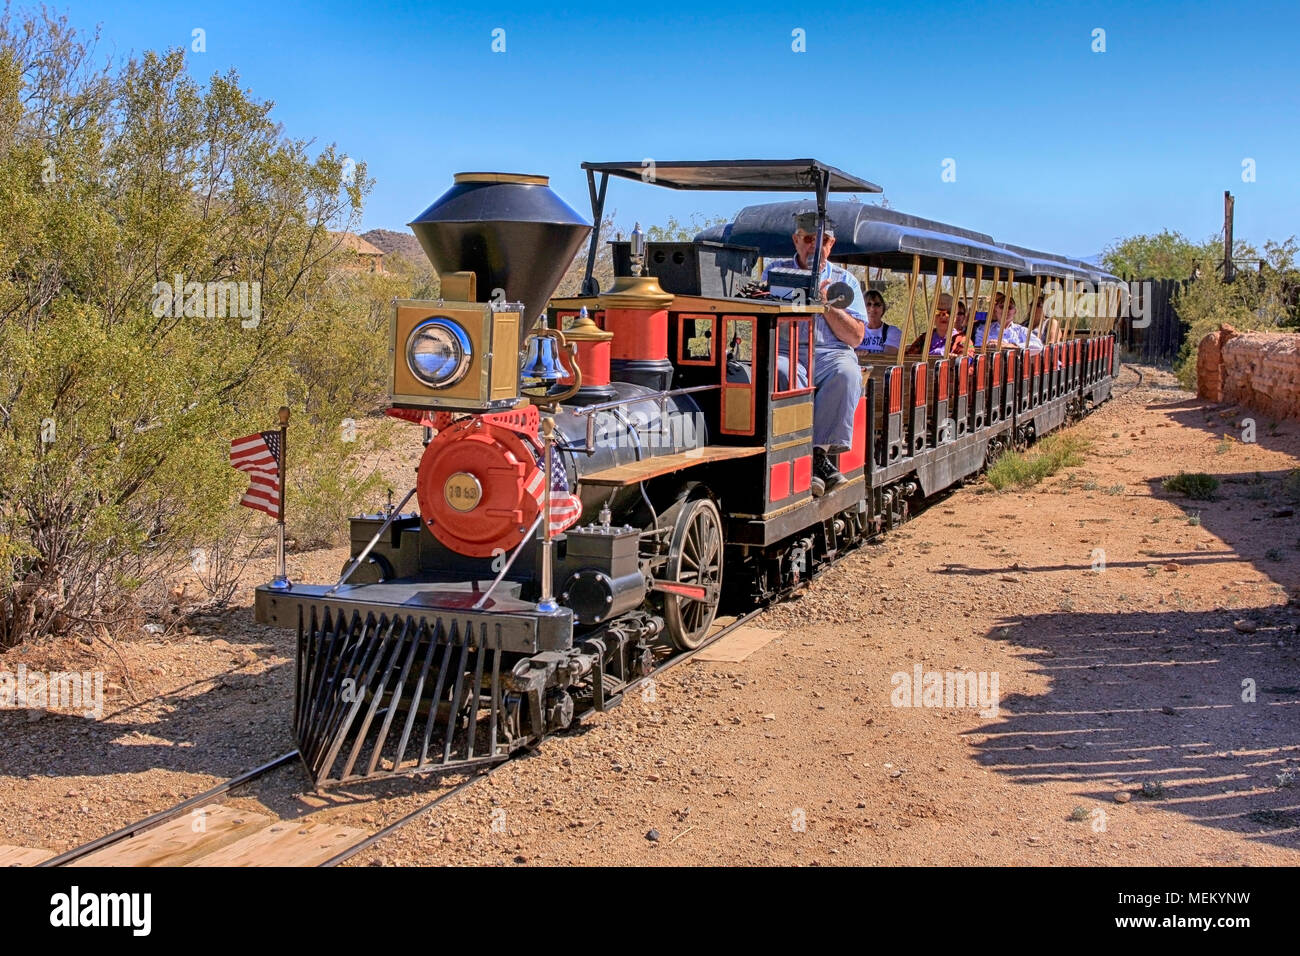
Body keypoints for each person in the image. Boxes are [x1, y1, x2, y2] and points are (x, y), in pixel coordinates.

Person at [762, 212, 866, 496]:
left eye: (824, 241)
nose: (815, 247)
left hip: (831, 353)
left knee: (847, 373)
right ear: (796, 240)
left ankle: (815, 456)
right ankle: (787, 451)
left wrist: (827, 303)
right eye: (809, 239)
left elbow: (855, 337)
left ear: (831, 245)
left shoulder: (846, 281)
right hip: (787, 350)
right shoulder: (775, 272)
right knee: (783, 372)